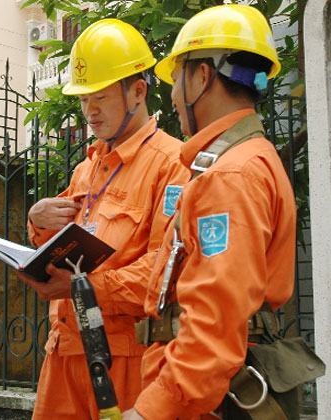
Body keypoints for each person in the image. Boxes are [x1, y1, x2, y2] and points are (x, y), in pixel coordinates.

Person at [123, 4, 296, 420]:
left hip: (210, 401)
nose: (173, 97)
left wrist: (151, 411)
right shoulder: (249, 159)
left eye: (176, 79)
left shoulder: (230, 175)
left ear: (202, 76)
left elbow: (215, 320)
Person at [19, 19, 189, 419]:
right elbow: (54, 244)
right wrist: (37, 220)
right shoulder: (88, 168)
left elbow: (163, 272)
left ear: (138, 92)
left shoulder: (171, 164)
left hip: (124, 360)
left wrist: (81, 288)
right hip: (63, 354)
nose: (89, 111)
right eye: (83, 99)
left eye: (100, 97)